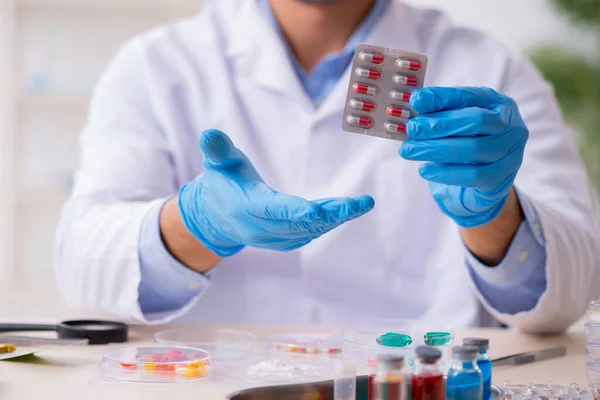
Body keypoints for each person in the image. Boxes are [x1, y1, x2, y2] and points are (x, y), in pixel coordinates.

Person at [55, 0, 600, 331]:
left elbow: (573, 295)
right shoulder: (156, 66)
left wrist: (494, 216)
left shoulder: (490, 67)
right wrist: (193, 224)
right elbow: (83, 267)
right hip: (212, 379)